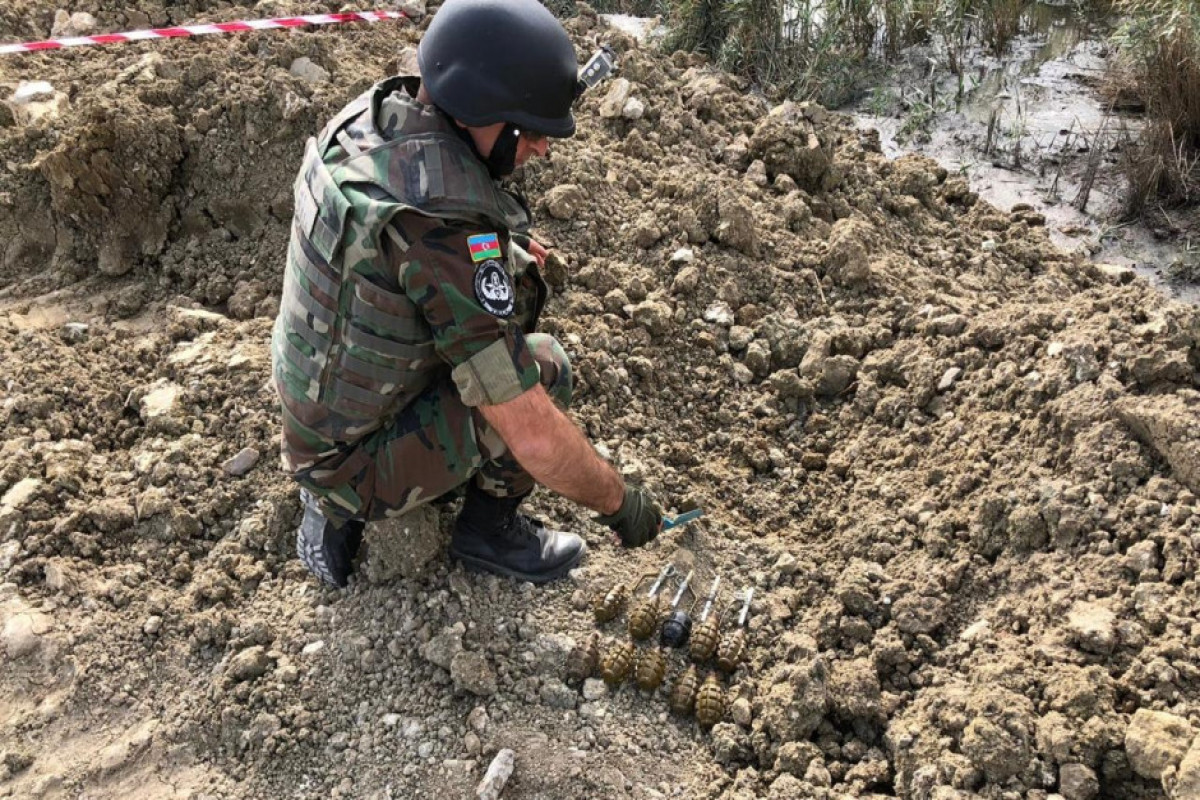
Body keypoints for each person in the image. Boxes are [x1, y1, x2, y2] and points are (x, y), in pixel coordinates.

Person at [270, 0, 663, 588]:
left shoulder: (372, 119)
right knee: (544, 366)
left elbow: (411, 255)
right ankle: (485, 532)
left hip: (313, 412)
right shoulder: (439, 224)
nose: (541, 148)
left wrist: (509, 253)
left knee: (516, 277)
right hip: (347, 465)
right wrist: (619, 502)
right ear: (483, 110)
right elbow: (530, 429)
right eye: (529, 131)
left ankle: (342, 490)